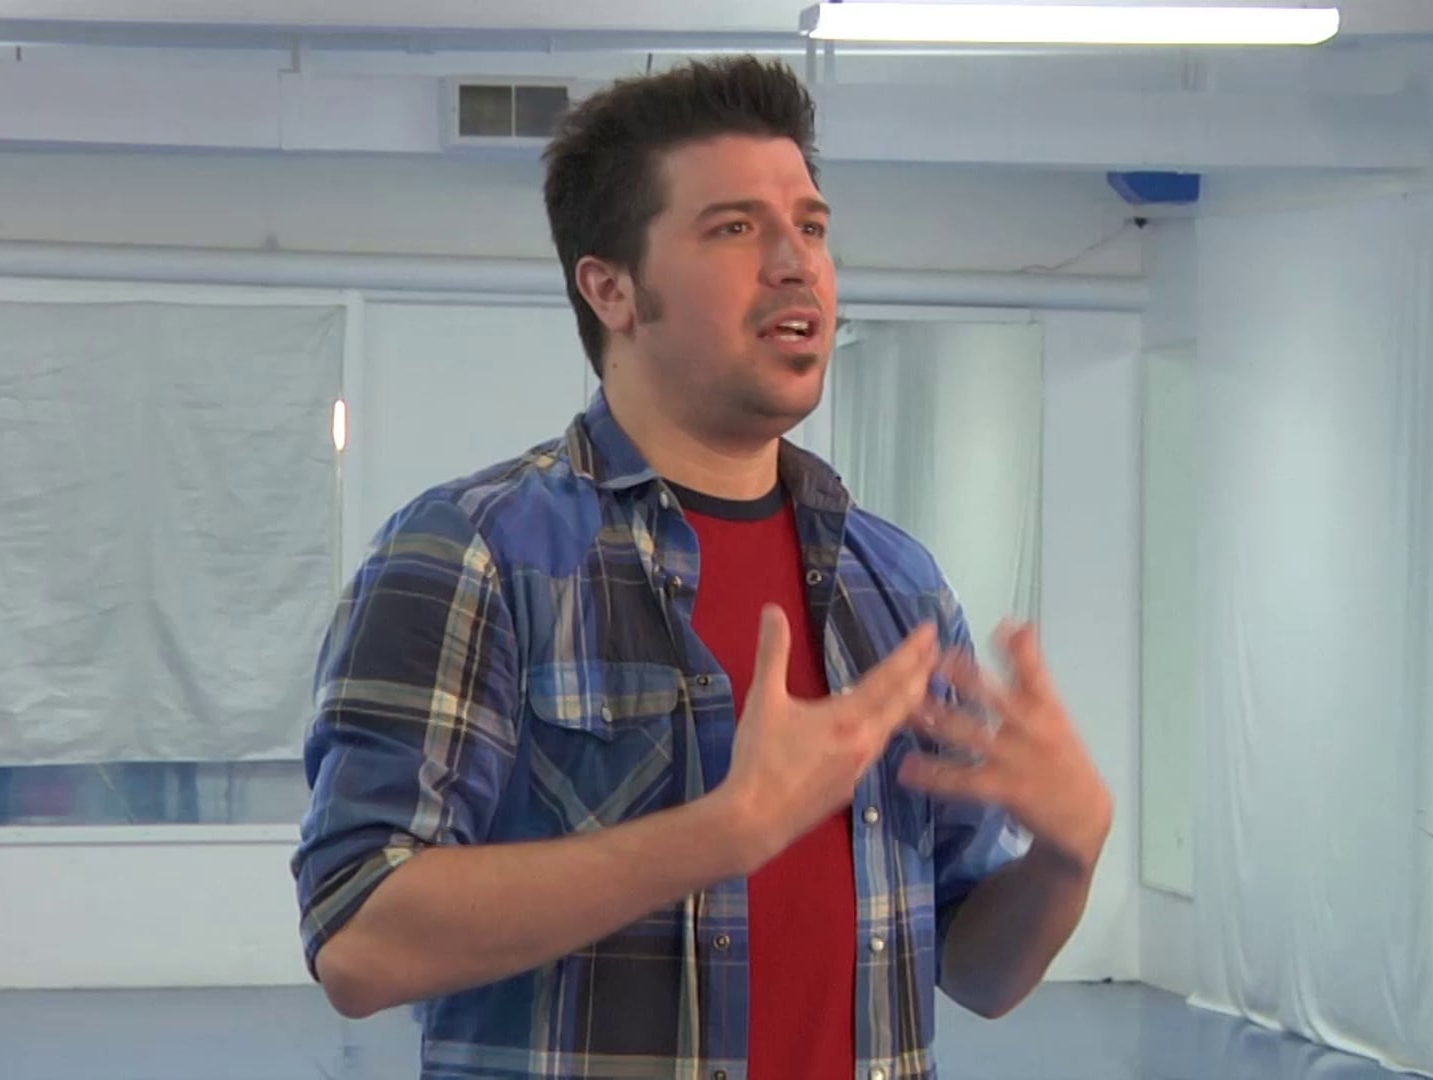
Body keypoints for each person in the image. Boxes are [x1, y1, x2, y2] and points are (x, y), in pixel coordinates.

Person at [291, 54, 1114, 1080]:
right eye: (734, 229)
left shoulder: (895, 585)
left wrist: (1068, 856)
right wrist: (719, 834)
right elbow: (360, 938)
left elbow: (979, 971)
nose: (796, 263)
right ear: (613, 290)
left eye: (811, 226)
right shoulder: (476, 554)